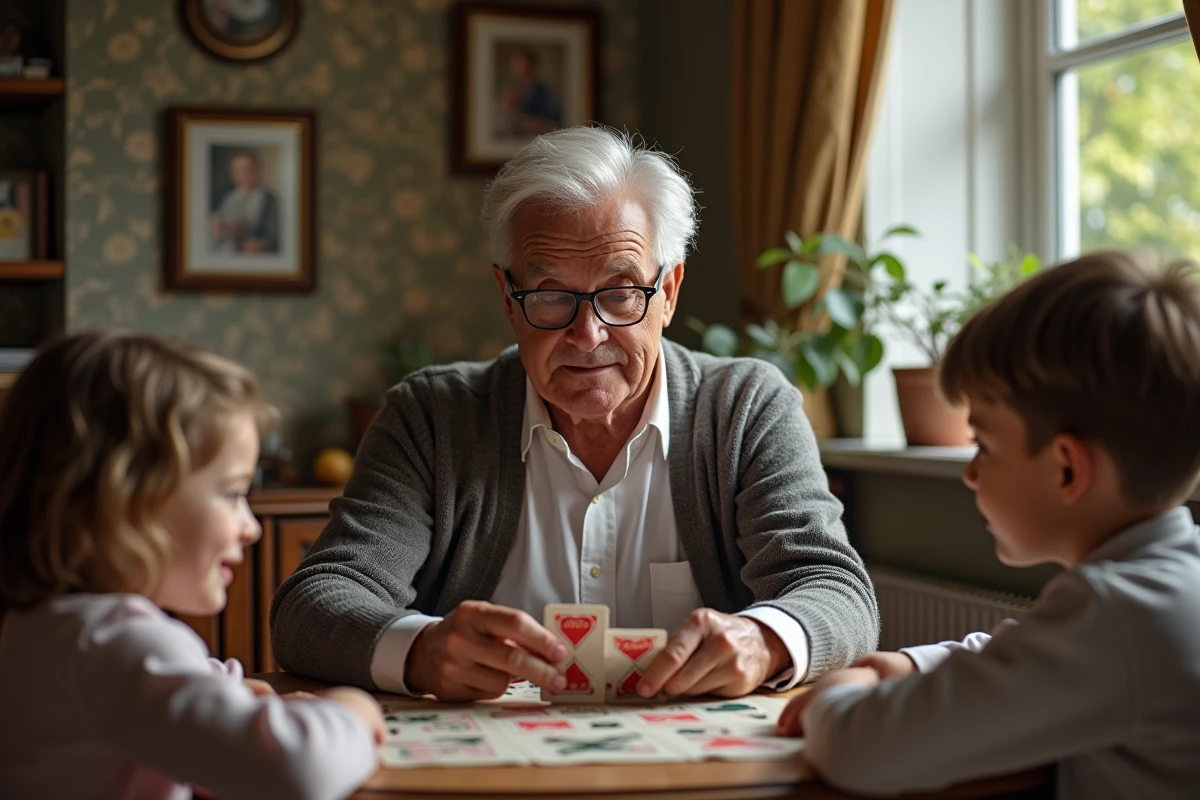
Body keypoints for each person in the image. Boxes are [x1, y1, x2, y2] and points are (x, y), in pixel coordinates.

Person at [271, 125, 879, 703]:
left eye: (620, 293)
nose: (587, 336)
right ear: (509, 299)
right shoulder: (431, 418)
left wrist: (765, 639)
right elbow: (314, 604)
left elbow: (835, 591)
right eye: (551, 295)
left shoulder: (746, 408)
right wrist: (421, 649)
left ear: (667, 293)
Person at [777, 251, 1200, 798]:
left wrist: (840, 689)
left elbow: (858, 750)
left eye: (984, 444)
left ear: (1067, 468)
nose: (972, 475)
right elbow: (1022, 649)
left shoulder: (1115, 613)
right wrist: (905, 663)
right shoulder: (1161, 584)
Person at [0, 331, 384, 800]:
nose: (252, 527)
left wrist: (235, 697)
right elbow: (302, 769)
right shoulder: (117, 643)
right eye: (231, 494)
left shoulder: (44, 626)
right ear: (127, 504)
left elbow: (168, 694)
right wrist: (351, 712)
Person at [210, 149, 279, 254]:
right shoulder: (227, 199)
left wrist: (264, 244)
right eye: (237, 170)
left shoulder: (273, 201)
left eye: (247, 169)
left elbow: (278, 235)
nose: (242, 174)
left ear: (257, 170)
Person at [496, 49, 562, 138]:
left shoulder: (543, 90)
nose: (519, 68)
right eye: (516, 64)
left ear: (532, 66)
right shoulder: (511, 89)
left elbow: (553, 117)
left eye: (522, 64)